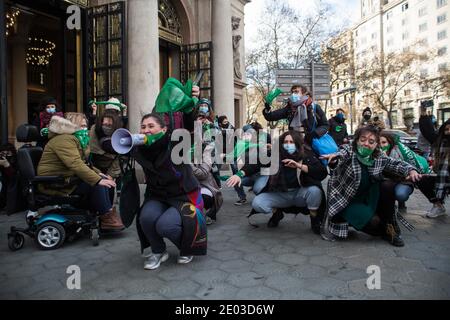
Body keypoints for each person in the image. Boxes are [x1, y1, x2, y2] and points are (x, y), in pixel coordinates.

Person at [320, 126, 422, 247]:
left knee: (387, 186)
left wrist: (411, 170)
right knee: (375, 225)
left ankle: (391, 228)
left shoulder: (378, 157)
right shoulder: (350, 151)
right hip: (349, 201)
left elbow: (396, 164)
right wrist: (334, 159)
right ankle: (378, 225)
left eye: (371, 141)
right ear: (357, 140)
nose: (366, 144)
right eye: (362, 140)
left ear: (376, 145)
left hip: (370, 197)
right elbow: (342, 154)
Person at [133, 113, 207, 270]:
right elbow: (111, 145)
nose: (146, 130)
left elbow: (188, 134)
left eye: (151, 126)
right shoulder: (139, 148)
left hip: (184, 195)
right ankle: (158, 251)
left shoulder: (173, 142)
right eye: (143, 126)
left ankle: (187, 248)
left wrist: (190, 109)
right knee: (145, 218)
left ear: (164, 129)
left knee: (165, 225)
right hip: (158, 195)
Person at [37, 113, 124, 231]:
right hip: (56, 182)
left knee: (105, 182)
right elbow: (75, 164)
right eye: (81, 125)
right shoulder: (63, 139)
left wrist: (100, 174)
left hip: (67, 178)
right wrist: (97, 179)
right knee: (96, 185)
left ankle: (105, 212)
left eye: (85, 125)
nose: (84, 128)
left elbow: (83, 163)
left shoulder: (74, 139)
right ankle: (106, 216)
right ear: (72, 125)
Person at [227, 130, 327, 233]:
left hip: (299, 193)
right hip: (281, 193)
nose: (288, 145)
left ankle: (314, 220)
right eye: (285, 142)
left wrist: (299, 166)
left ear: (297, 143)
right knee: (258, 203)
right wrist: (239, 174)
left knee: (315, 191)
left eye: (291, 142)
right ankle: (277, 213)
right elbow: (255, 164)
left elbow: (322, 172)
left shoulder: (306, 155)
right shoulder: (276, 154)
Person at [380, 132, 436, 215]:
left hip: (404, 180)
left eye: (384, 142)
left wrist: (411, 171)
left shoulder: (399, 153)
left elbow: (403, 167)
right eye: (378, 143)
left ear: (390, 143)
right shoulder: (375, 154)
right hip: (386, 182)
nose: (381, 145)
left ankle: (400, 203)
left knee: (401, 194)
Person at [262, 85, 329, 144]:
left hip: (310, 143)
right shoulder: (289, 108)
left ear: (304, 94)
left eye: (296, 92)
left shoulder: (314, 107)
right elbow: (270, 116)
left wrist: (315, 134)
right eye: (292, 92)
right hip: (293, 143)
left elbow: (325, 125)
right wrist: (267, 109)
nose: (293, 94)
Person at [191, 114, 223, 225]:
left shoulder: (213, 129)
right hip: (192, 181)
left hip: (206, 171)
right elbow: (197, 141)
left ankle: (211, 210)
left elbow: (202, 173)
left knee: (208, 192)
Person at [89, 109, 123, 205]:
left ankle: (109, 211)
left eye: (110, 125)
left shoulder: (119, 134)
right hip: (95, 167)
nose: (107, 126)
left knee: (109, 189)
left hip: (111, 168)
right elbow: (91, 151)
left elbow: (120, 156)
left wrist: (111, 175)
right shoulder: (94, 130)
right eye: (105, 123)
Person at [419, 116, 450, 217]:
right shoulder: (440, 143)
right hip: (443, 179)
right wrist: (424, 115)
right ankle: (438, 206)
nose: (449, 131)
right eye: (447, 129)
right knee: (421, 179)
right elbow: (427, 131)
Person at [0, 143, 25, 214]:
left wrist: (7, 165)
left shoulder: (18, 160)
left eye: (8, 154)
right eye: (3, 154)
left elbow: (14, 179)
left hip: (15, 194)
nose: (5, 156)